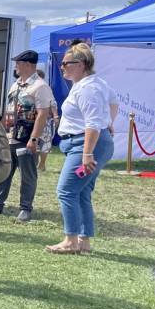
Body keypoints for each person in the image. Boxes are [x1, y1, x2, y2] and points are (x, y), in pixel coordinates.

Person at [46, 43, 114, 255]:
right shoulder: (91, 84)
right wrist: (109, 122)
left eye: (67, 63)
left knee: (66, 190)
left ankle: (71, 240)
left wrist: (87, 153)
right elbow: (114, 102)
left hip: (84, 145)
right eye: (62, 63)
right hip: (86, 143)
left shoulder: (87, 88)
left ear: (82, 64)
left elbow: (92, 123)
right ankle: (83, 241)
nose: (62, 67)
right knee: (82, 191)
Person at [0, 50, 52, 221]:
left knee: (27, 175)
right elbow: (9, 109)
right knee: (4, 171)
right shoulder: (16, 85)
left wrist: (34, 138)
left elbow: (42, 114)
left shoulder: (40, 86)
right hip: (10, 135)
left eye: (18, 63)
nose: (15, 66)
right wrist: (1, 131)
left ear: (27, 64)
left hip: (26, 137)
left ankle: (25, 208)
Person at [36, 69, 58, 171]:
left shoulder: (45, 88)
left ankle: (42, 164)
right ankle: (35, 163)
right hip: (32, 120)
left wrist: (55, 116)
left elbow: (52, 103)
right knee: (35, 141)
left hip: (45, 120)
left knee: (45, 142)